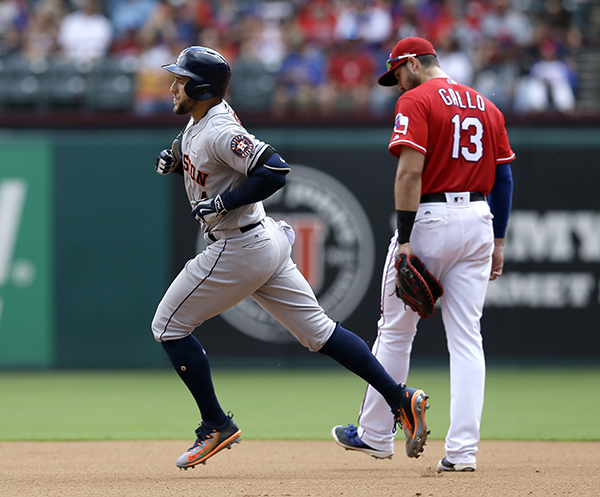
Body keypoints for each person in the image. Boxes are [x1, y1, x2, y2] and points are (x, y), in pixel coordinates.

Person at [151, 46, 430, 469]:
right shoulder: (200, 122)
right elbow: (204, 153)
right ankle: (400, 399)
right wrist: (178, 162)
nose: (173, 85)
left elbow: (275, 170)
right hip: (263, 240)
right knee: (319, 331)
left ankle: (215, 424)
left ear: (202, 88)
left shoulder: (218, 130)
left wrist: (223, 203)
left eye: (181, 80)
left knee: (168, 326)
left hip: (239, 245)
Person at [331, 37, 515, 472]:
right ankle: (463, 453)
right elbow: (504, 179)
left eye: (396, 74)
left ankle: (375, 435)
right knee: (468, 339)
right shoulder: (486, 106)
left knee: (395, 332)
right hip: (479, 218)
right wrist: (500, 241)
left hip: (431, 217)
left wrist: (407, 237)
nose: (396, 84)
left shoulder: (417, 100)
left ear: (412, 63)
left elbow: (410, 171)